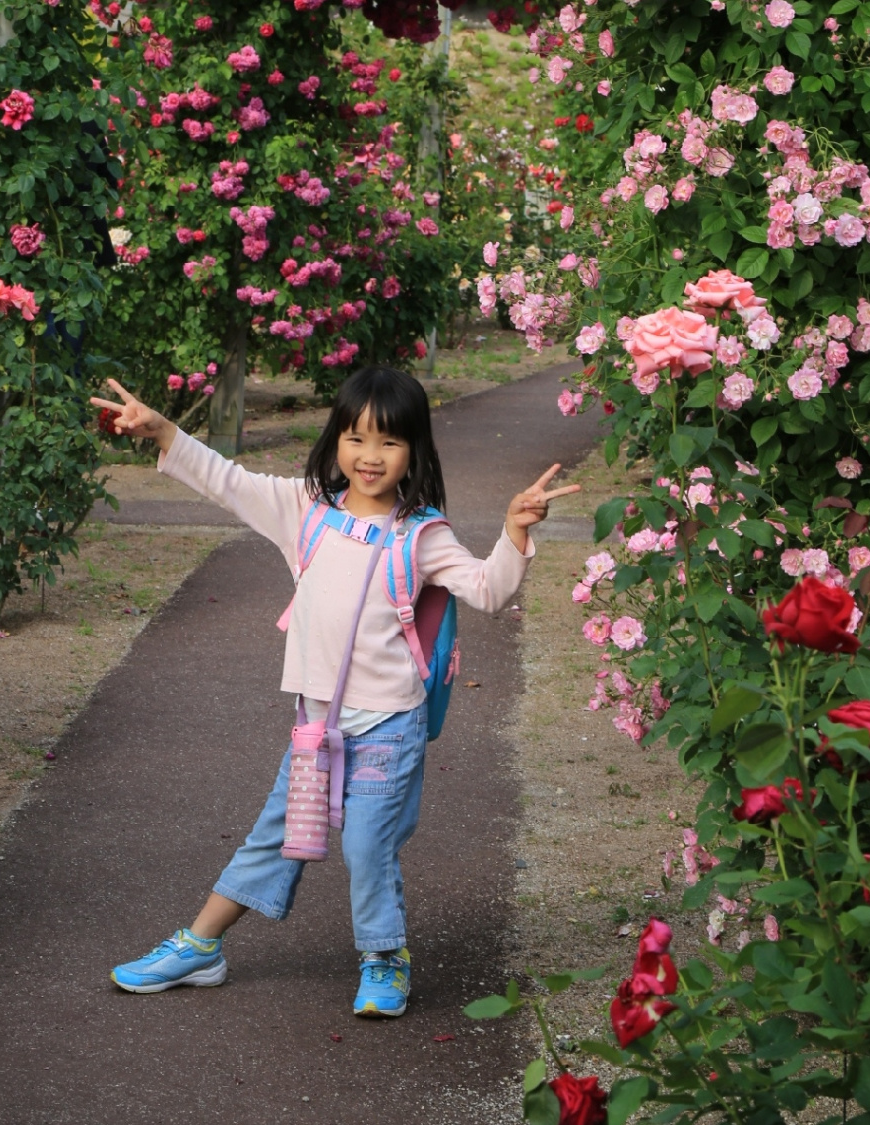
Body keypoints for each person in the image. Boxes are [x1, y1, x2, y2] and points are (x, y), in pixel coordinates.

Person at [91, 363, 578, 1018]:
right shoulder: (307, 512)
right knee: (275, 833)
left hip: (388, 726)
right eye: (355, 437)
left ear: (414, 451)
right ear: (336, 440)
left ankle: (384, 957)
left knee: (365, 843)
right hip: (317, 726)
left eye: (388, 442)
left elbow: (489, 589)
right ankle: (201, 945)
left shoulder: (422, 534)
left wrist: (515, 531)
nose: (369, 456)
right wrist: (163, 431)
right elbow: (227, 481)